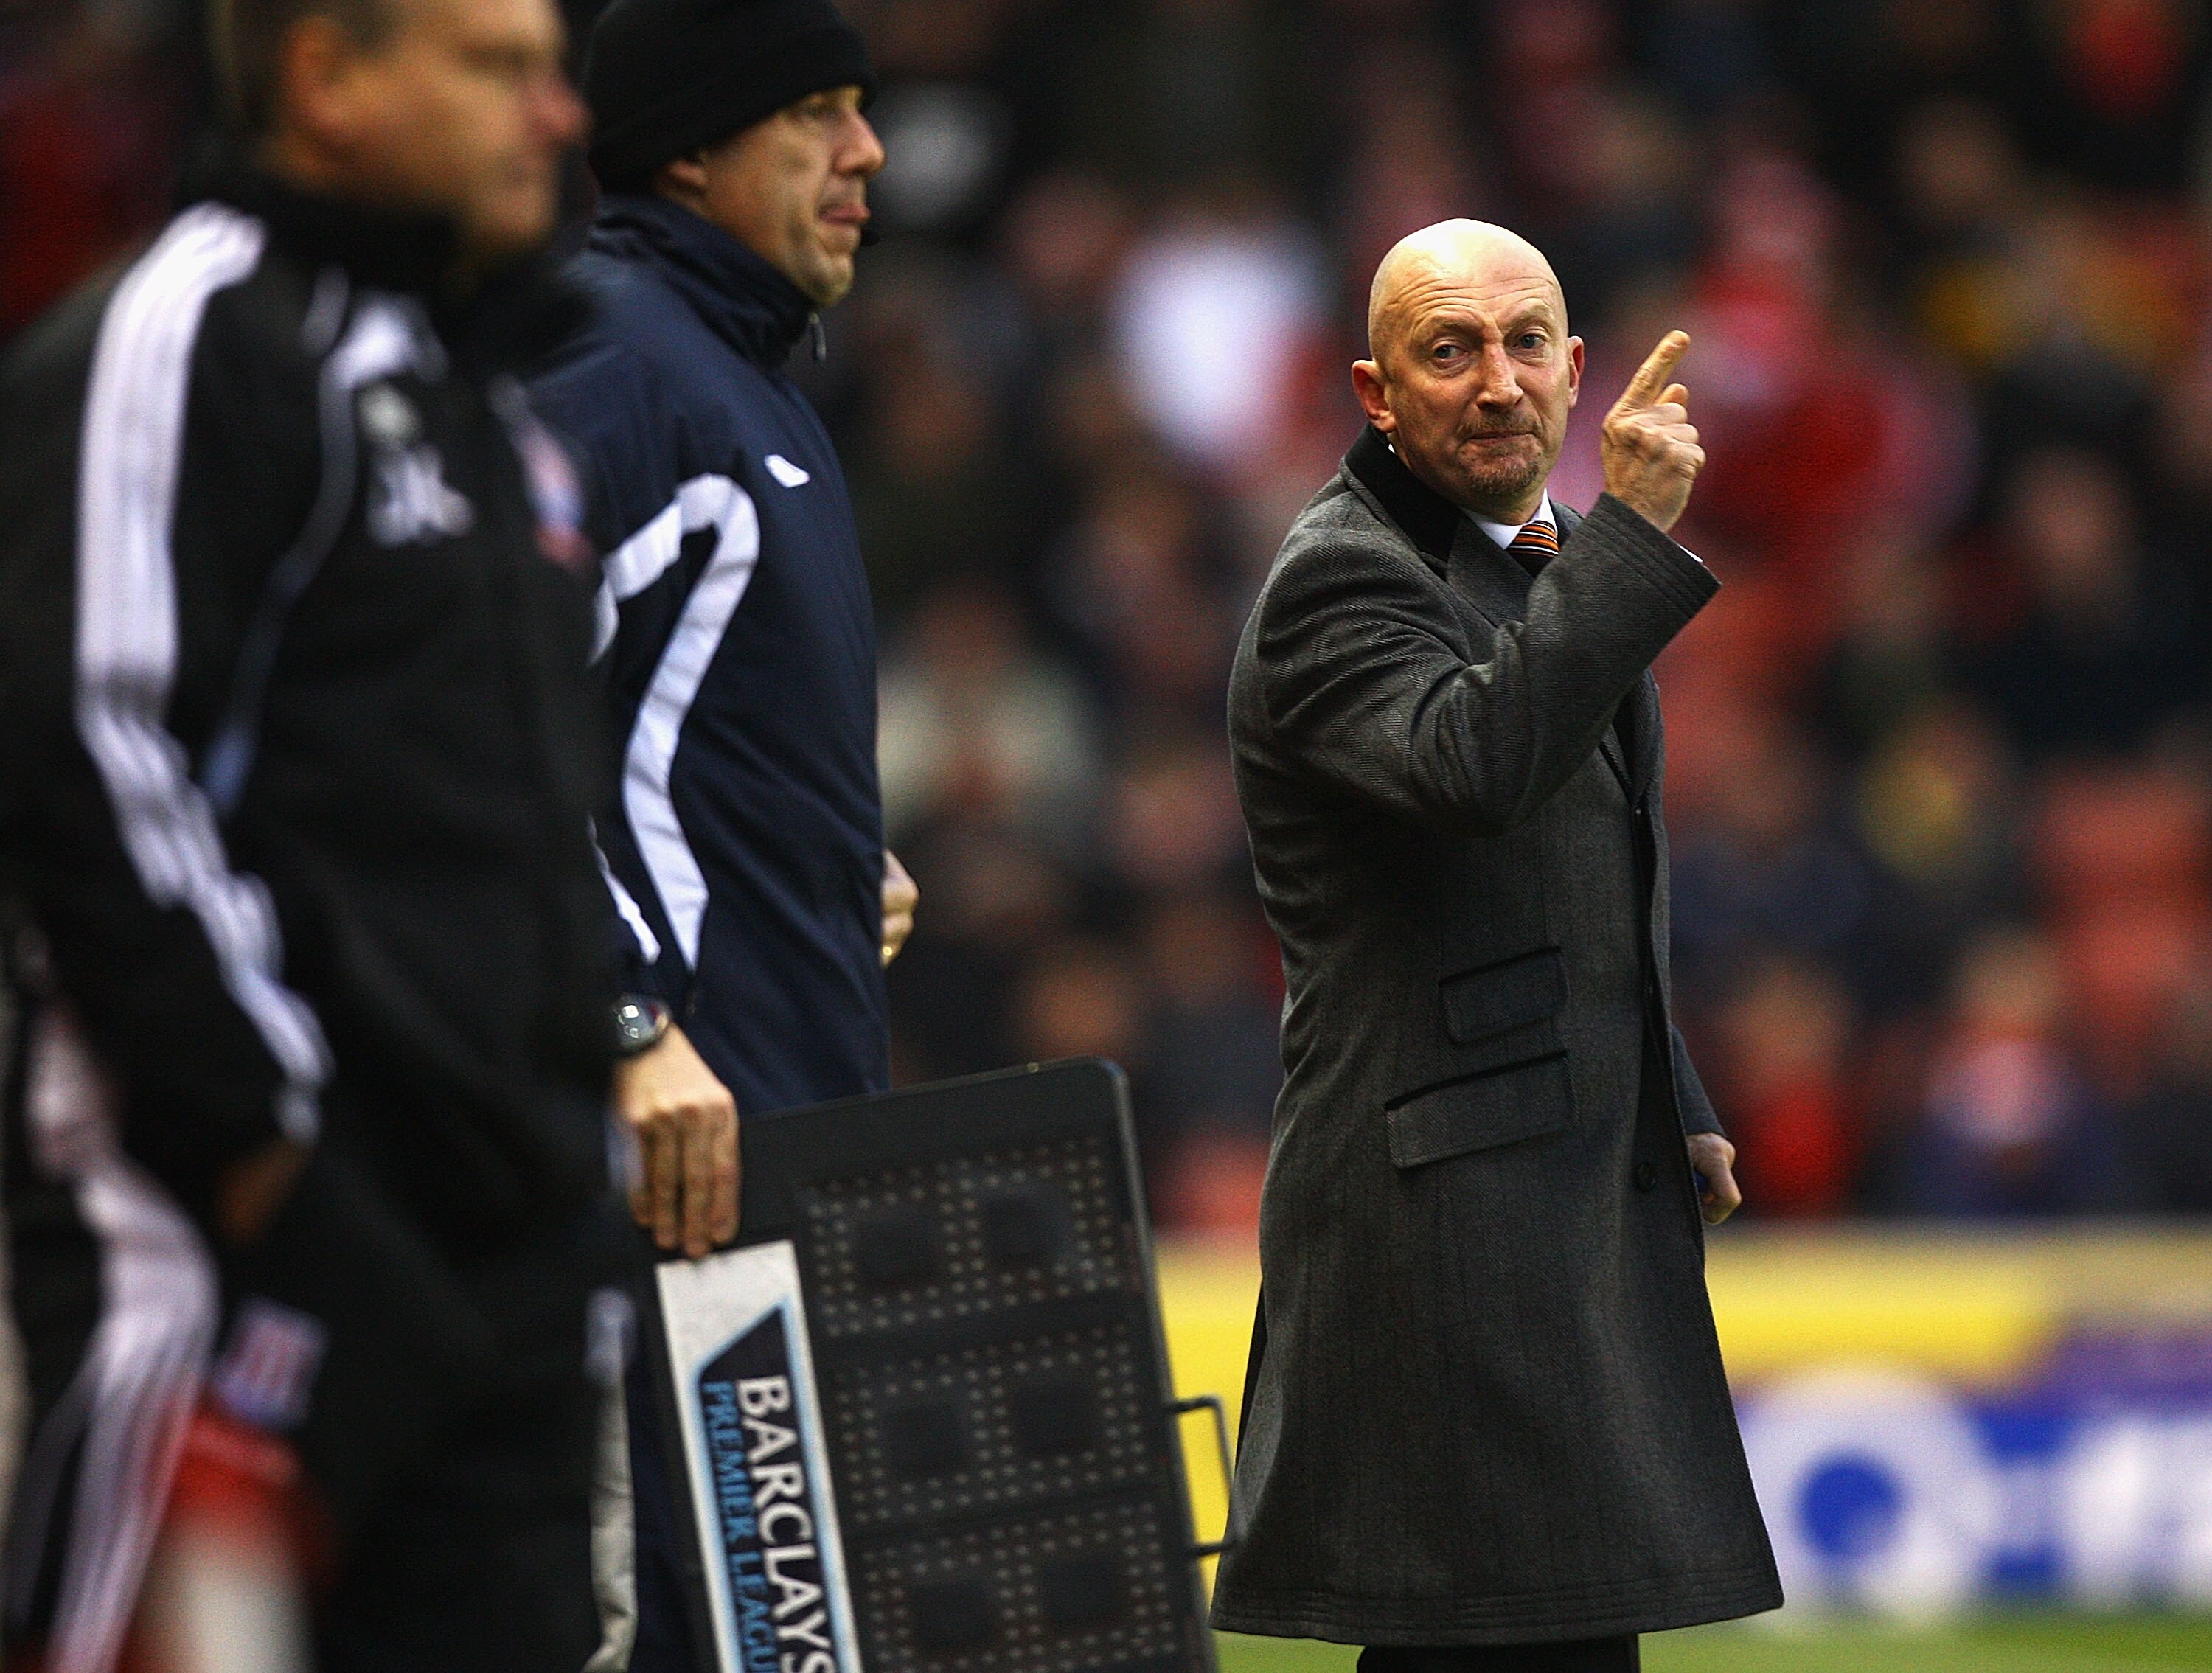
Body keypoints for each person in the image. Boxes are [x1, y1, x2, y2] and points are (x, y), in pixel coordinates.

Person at [0, 0, 625, 1668]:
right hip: (246, 1265)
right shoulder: (186, 337)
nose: (556, 114)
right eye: (497, 67)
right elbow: (87, 744)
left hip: (506, 1273)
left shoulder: (482, 388)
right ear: (327, 78)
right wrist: (276, 1152)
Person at [1211, 220, 1782, 1672]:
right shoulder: (1338, 582)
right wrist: (1636, 539)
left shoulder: (1554, 566)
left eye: (1527, 342)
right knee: (1498, 1648)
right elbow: (1476, 768)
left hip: (1552, 1199)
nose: (1498, 381)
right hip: (1442, 1235)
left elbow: (1579, 883)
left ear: (1578, 367)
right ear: (1375, 392)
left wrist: (1680, 1099)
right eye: (1448, 350)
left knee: (1555, 1645)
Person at [527, 1, 911, 1666]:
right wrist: (625, 1018)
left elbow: (646, 735)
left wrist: (824, 860)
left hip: (756, 1172)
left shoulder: (733, 383)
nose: (867, 154)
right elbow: (458, 719)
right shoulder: (617, 367)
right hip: (651, 1191)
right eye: (814, 113)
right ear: (689, 148)